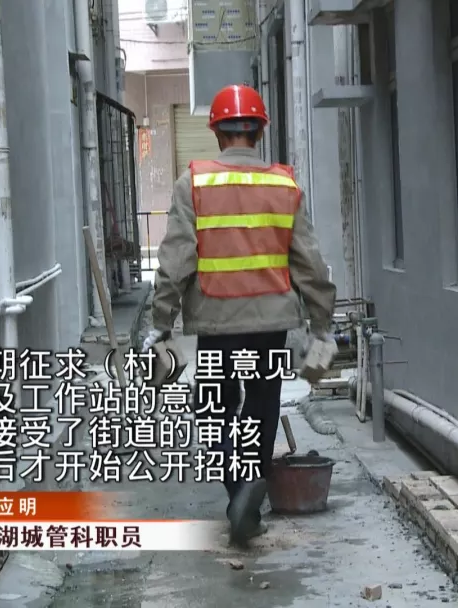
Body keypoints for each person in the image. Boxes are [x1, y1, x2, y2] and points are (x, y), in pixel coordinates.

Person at [142, 84, 336, 546]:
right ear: (260, 130)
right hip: (271, 325)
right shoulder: (284, 185)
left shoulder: (193, 183)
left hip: (217, 324)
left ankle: (240, 491)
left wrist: (161, 323)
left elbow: (175, 261)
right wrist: (322, 324)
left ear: (216, 132)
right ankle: (249, 493)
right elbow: (309, 263)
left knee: (214, 410)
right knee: (262, 408)